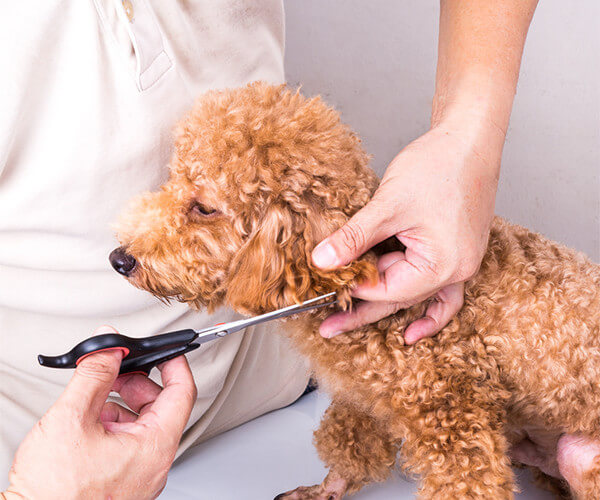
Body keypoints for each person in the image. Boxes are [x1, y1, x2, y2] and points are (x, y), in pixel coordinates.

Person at [1, 1, 596, 497]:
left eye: (202, 209)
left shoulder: (376, 298)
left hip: (562, 436)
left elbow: (456, 440)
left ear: (282, 237)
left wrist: (466, 143)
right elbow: (367, 387)